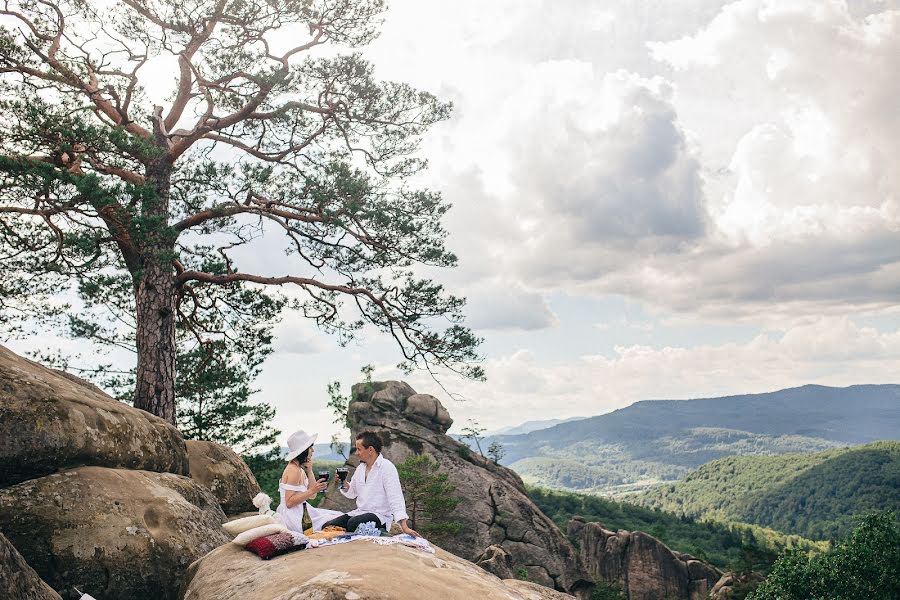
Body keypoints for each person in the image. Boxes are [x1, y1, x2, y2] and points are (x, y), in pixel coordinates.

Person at [322, 431, 419, 536]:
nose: (356, 453)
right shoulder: (360, 468)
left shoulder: (386, 467)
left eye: (359, 449)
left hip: (380, 516)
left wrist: (404, 527)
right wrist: (343, 481)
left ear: (370, 450)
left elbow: (396, 498)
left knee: (352, 523)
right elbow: (351, 492)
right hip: (359, 513)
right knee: (327, 526)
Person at [276, 430, 342, 532]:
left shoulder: (300, 469)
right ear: (304, 451)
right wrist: (312, 490)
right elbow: (289, 503)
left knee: (337, 515)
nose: (313, 450)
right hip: (294, 517)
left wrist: (309, 470)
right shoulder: (294, 470)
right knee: (337, 519)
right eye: (310, 447)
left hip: (302, 511)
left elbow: (312, 496)